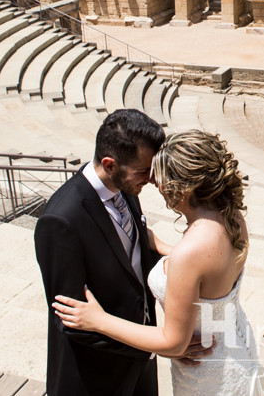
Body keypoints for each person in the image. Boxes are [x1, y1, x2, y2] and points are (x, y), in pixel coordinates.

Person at [54, 130, 264, 396]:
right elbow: (211, 270)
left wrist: (98, 320)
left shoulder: (188, 254)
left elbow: (174, 343)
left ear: (182, 187)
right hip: (237, 349)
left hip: (206, 374)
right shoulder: (232, 216)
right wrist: (159, 245)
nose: (157, 187)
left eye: (161, 183)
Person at [34, 109, 174, 396]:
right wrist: (150, 345)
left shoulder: (125, 187)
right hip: (97, 378)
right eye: (144, 172)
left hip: (141, 368)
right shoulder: (61, 221)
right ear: (110, 164)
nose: (151, 179)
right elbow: (72, 320)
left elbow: (133, 258)